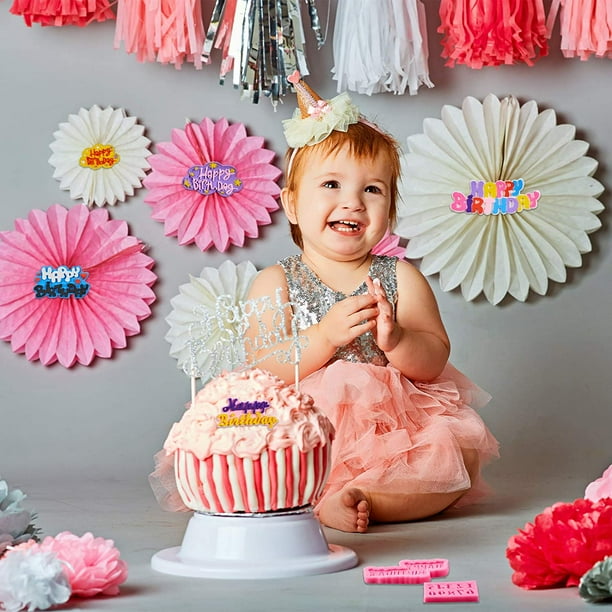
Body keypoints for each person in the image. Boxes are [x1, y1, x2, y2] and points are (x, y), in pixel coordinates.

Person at [246, 75, 499, 533]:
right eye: (331, 184)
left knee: (456, 458)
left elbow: (434, 360)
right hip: (309, 422)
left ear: (391, 212)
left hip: (396, 426)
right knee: (260, 457)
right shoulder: (275, 282)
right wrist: (323, 336)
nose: (353, 203)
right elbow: (265, 365)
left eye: (372, 190)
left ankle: (366, 498)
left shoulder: (401, 277)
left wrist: (397, 340)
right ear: (292, 204)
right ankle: (315, 496)